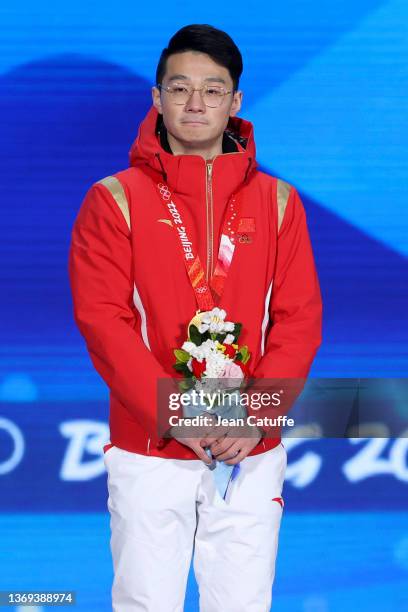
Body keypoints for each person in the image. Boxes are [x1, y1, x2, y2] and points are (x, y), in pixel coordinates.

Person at [68, 23, 322, 612]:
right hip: (151, 445)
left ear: (235, 102)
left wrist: (253, 417)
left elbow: (298, 319)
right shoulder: (115, 198)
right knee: (146, 603)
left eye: (213, 89)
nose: (195, 103)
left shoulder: (279, 202)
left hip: (248, 448)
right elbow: (104, 321)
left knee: (242, 603)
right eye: (180, 88)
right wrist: (173, 412)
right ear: (156, 98)